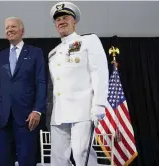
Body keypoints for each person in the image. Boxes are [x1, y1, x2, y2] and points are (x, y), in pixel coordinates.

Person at [48, 2, 109, 166]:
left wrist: (99, 105)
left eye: (65, 17)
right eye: (58, 19)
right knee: (58, 159)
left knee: (82, 153)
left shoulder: (89, 41)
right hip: (59, 111)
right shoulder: (53, 53)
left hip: (83, 109)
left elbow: (99, 72)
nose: (61, 21)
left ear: (74, 21)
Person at [0, 17, 47, 166]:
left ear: (22, 31)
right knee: (4, 162)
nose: (9, 30)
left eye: (13, 26)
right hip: (3, 119)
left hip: (27, 118)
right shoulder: (0, 57)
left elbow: (41, 83)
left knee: (27, 161)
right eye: (7, 27)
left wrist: (38, 110)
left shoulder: (35, 53)